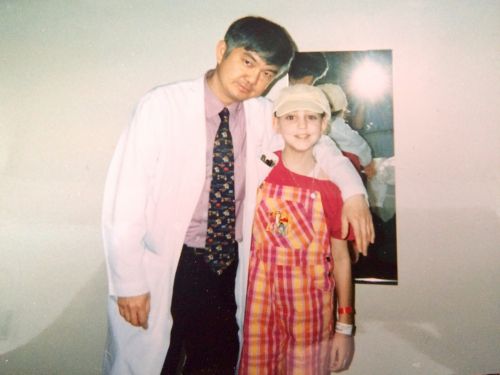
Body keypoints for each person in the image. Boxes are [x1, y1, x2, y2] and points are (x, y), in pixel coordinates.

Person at [102, 16, 372, 375]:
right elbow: (125, 200)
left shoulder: (262, 115)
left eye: (267, 73)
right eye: (248, 62)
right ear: (221, 51)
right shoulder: (162, 106)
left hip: (226, 267)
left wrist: (354, 194)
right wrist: (129, 282)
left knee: (216, 361)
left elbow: (318, 145)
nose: (254, 79)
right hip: (169, 262)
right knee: (155, 364)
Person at [239, 84, 355, 374]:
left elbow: (341, 259)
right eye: (291, 117)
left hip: (310, 309)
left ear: (324, 123)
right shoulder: (258, 172)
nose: (302, 126)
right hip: (259, 304)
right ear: (276, 123)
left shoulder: (332, 186)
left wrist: (345, 328)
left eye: (311, 117)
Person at [319, 83, 376, 179]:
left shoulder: (316, 124)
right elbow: (362, 149)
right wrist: (368, 163)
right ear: (343, 109)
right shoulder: (337, 126)